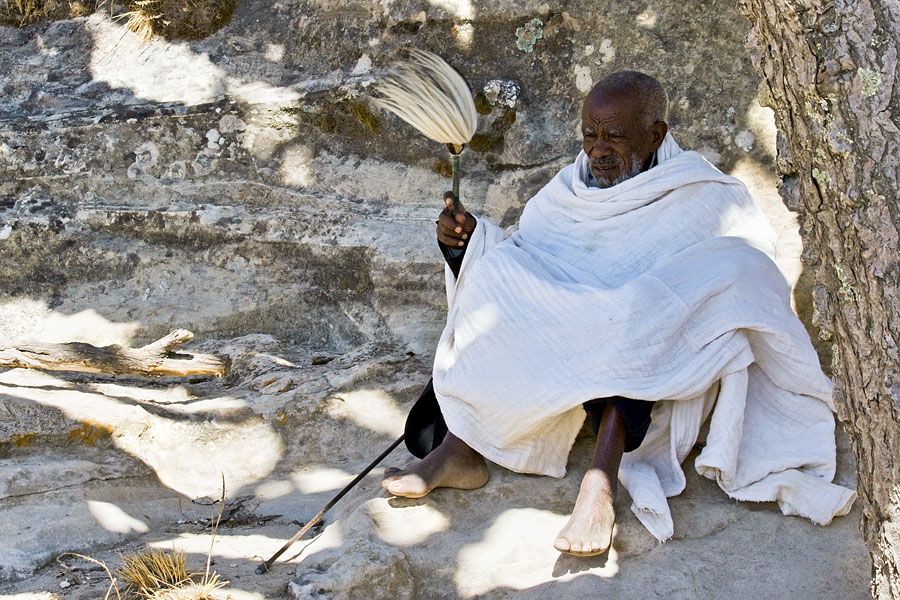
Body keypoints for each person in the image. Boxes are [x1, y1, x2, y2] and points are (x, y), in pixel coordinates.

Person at [382, 71, 855, 557]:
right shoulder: (569, 189)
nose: (598, 150)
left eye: (614, 137)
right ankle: (460, 450)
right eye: (590, 135)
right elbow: (528, 248)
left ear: (656, 135)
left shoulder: (704, 194)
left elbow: (742, 264)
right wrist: (465, 241)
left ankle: (600, 483)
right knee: (495, 271)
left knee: (631, 315)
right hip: (571, 321)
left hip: (637, 334)